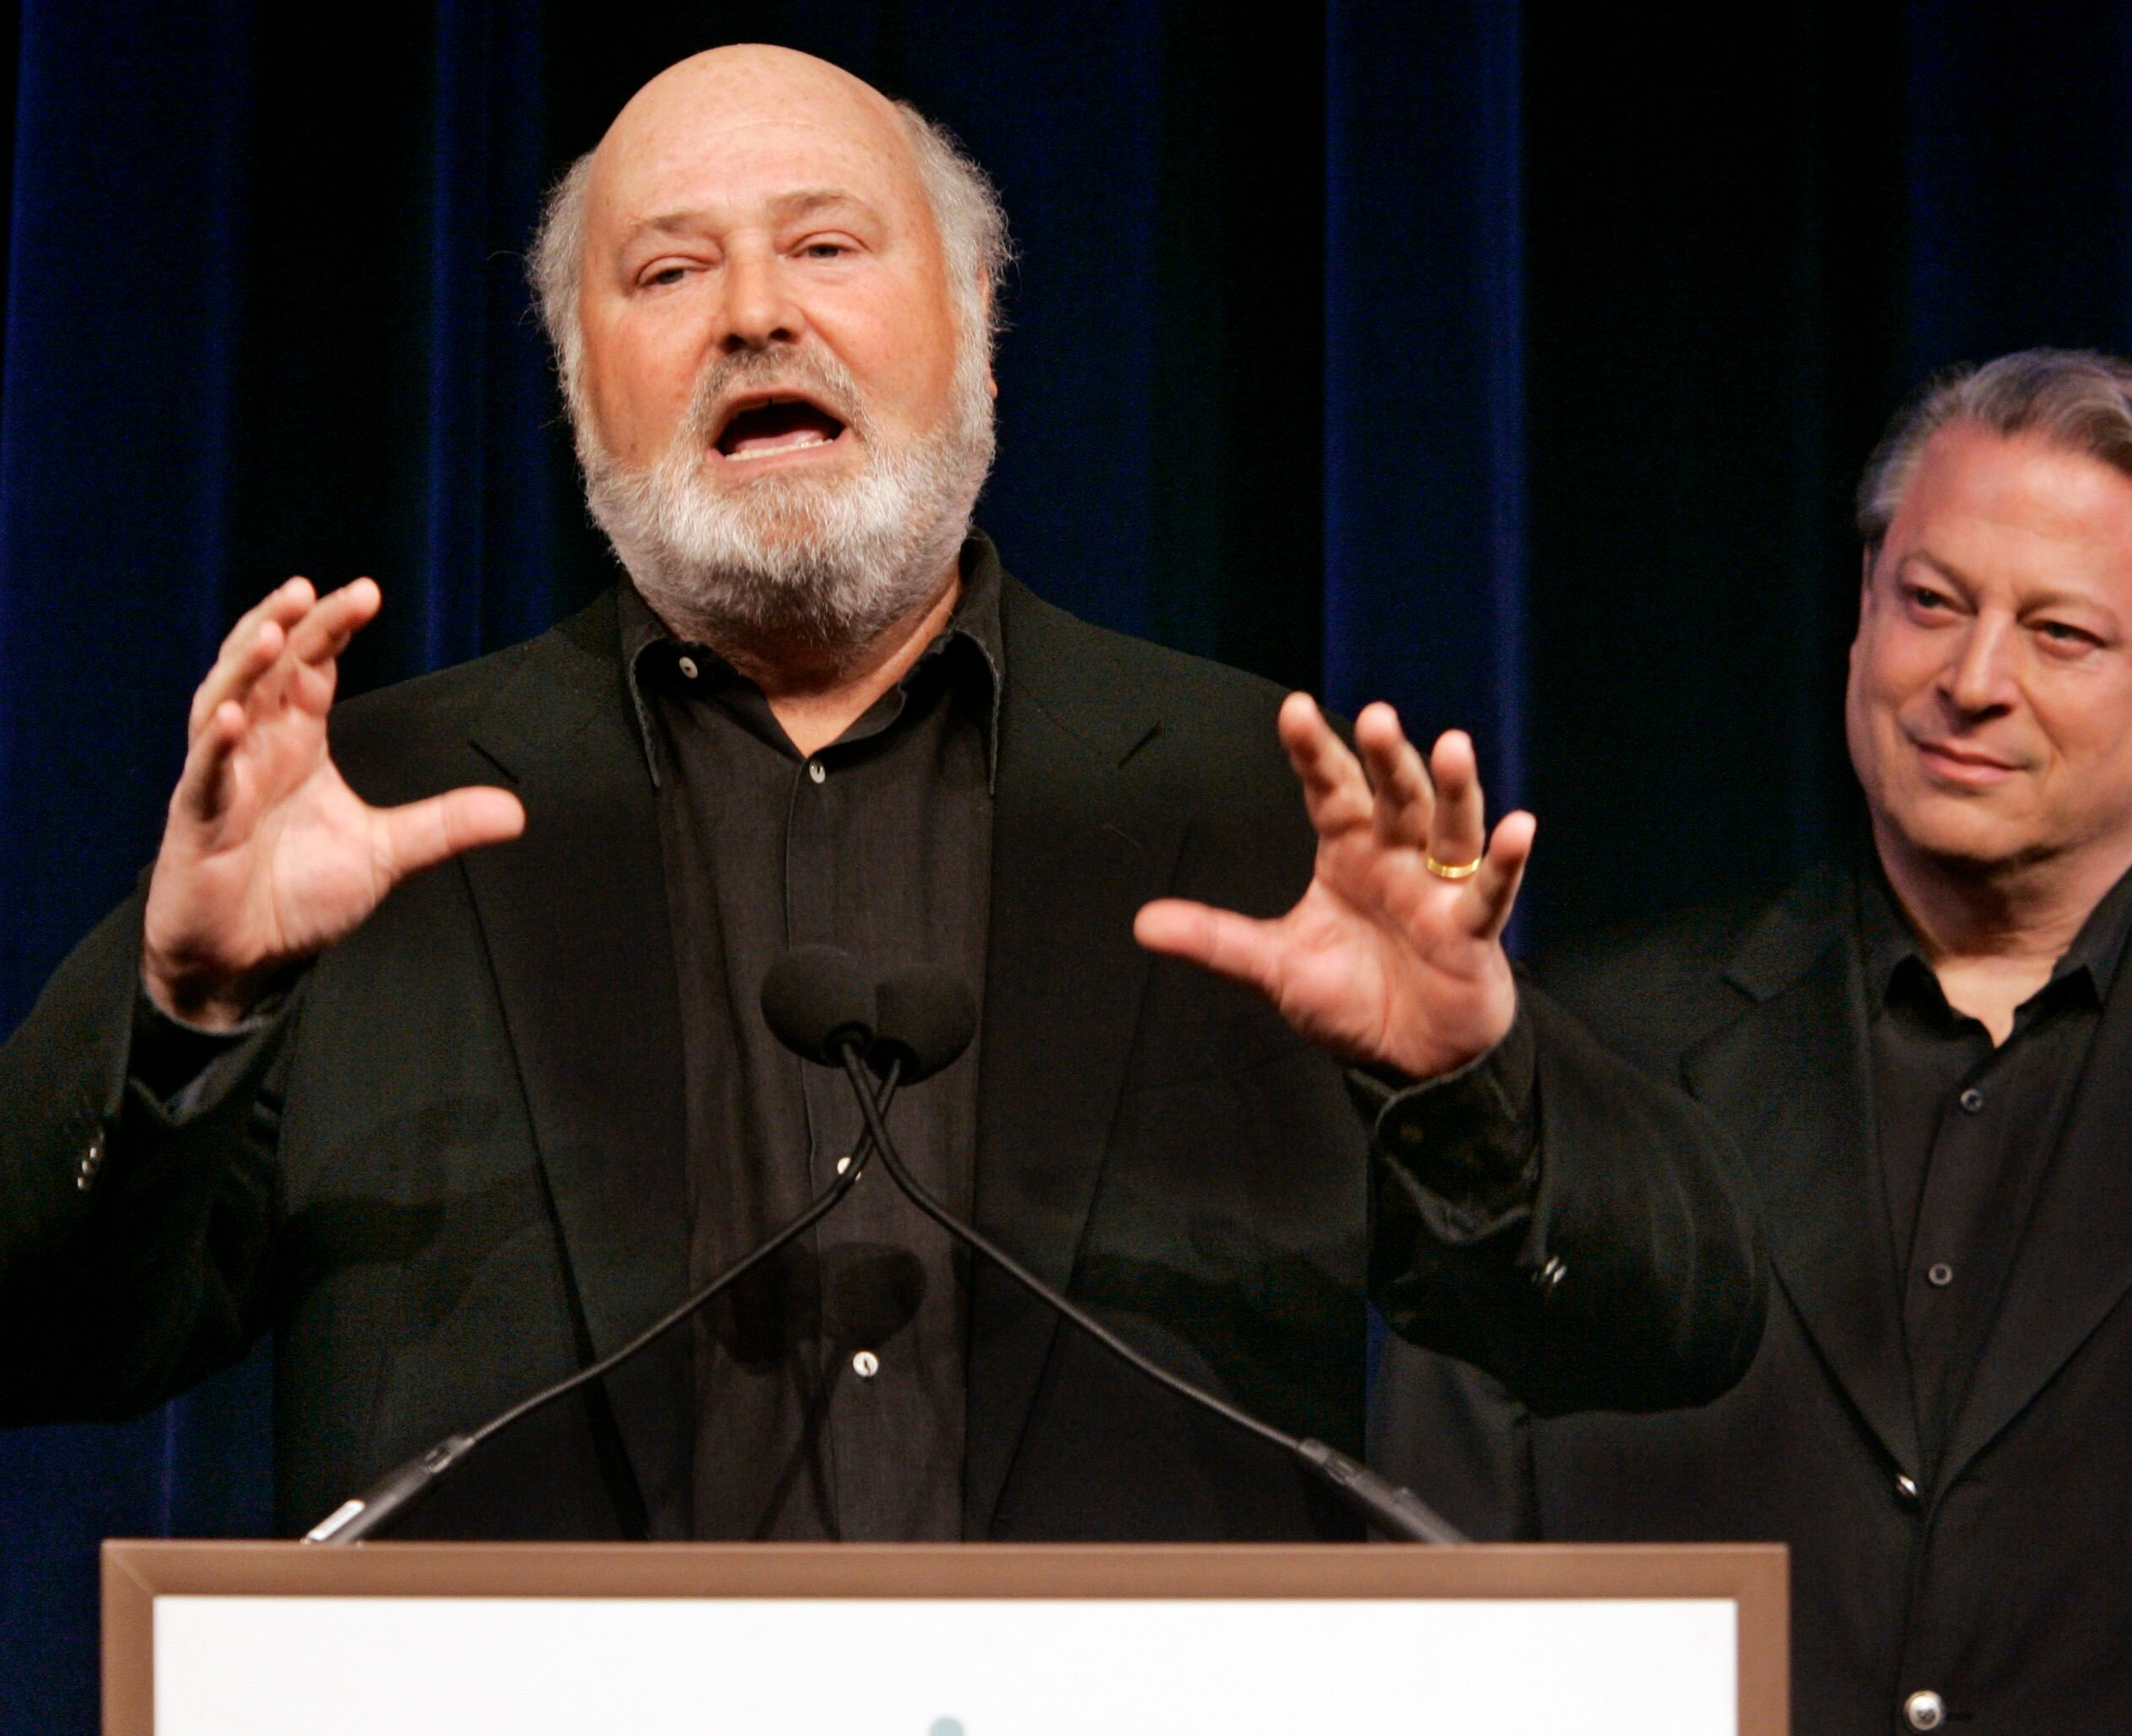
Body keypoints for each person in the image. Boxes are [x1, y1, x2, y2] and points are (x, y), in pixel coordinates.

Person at [0, 46, 1760, 1544]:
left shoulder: (1254, 805)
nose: (756, 309)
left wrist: (1462, 1082)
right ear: (575, 381)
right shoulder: (367, 819)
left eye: (826, 245)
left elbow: (1667, 1327)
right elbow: (35, 1334)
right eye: (668, 273)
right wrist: (187, 1016)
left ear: (975, 322)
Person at [1379, 348, 2132, 1732]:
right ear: (1862, 610)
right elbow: (1439, 1621)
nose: (1971, 679)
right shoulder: (1589, 1055)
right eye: (1928, 604)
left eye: (2057, 633)